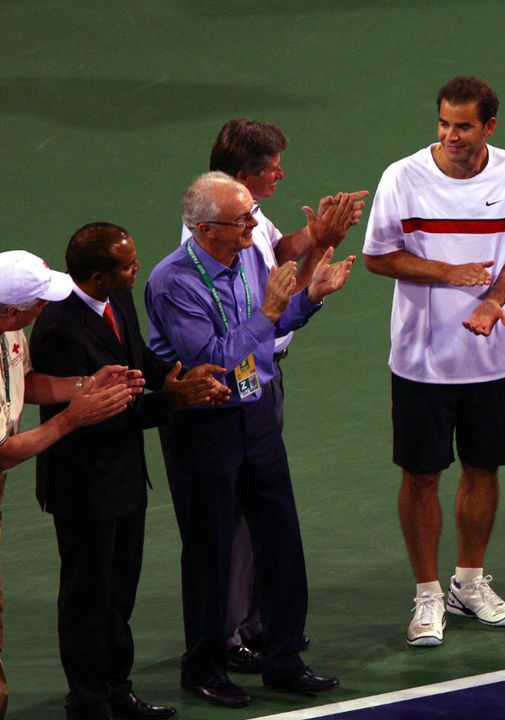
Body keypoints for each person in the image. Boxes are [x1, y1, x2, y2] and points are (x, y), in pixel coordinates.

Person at [363, 76, 505, 647]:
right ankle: (427, 594)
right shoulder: (402, 177)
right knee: (421, 474)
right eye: (444, 123)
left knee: (482, 468)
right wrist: (447, 273)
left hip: (493, 359)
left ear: (489, 127)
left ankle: (468, 583)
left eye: (463, 126)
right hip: (421, 362)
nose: (451, 135)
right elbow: (377, 257)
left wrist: (494, 301)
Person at [146, 172, 354, 706]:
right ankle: (203, 668)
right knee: (211, 550)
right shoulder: (172, 283)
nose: (253, 227)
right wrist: (269, 311)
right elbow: (210, 359)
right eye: (242, 220)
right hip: (205, 424)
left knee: (281, 539)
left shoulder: (248, 260)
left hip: (256, 415)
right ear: (206, 229)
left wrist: (310, 297)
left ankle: (283, 660)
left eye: (251, 216)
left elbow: (273, 326)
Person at [178, 119, 367, 674]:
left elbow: (278, 255)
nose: (281, 175)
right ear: (245, 175)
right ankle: (230, 632)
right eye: (274, 168)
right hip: (236, 379)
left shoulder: (244, 218)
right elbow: (273, 300)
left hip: (261, 372)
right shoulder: (214, 241)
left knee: (260, 507)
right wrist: (322, 245)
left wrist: (316, 237)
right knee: (237, 511)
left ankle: (260, 623)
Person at [31, 224, 229, 720]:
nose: (137, 268)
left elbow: (137, 358)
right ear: (98, 277)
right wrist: (172, 402)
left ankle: (118, 690)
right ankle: (88, 702)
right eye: (127, 265)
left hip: (124, 480)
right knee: (87, 600)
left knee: (119, 595)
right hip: (84, 487)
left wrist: (177, 376)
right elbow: (96, 415)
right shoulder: (58, 327)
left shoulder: (117, 300)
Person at [1, 250, 135, 720]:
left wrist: (84, 385)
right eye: (39, 303)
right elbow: (2, 453)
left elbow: (28, 383)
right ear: (12, 310)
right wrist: (72, 420)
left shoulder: (10, 329)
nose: (46, 309)